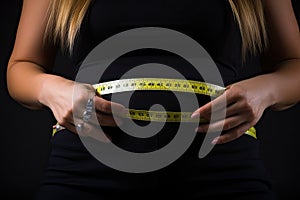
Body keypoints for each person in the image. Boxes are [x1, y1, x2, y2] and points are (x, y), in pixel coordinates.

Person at [6, 0, 300, 199]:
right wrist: (52, 90)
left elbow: (294, 64)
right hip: (84, 170)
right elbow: (20, 68)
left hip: (222, 168)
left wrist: (265, 91)